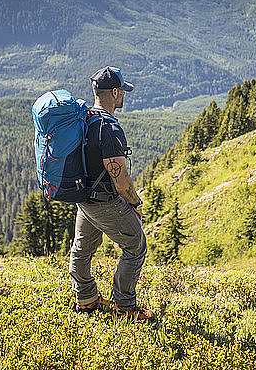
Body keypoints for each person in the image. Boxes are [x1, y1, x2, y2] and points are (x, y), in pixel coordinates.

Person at [69, 66, 155, 323]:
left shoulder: (83, 120)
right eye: (123, 92)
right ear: (115, 92)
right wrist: (135, 203)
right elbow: (121, 181)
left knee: (82, 248)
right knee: (135, 245)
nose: (124, 97)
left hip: (82, 198)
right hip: (104, 201)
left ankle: (86, 300)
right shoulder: (109, 129)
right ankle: (125, 308)